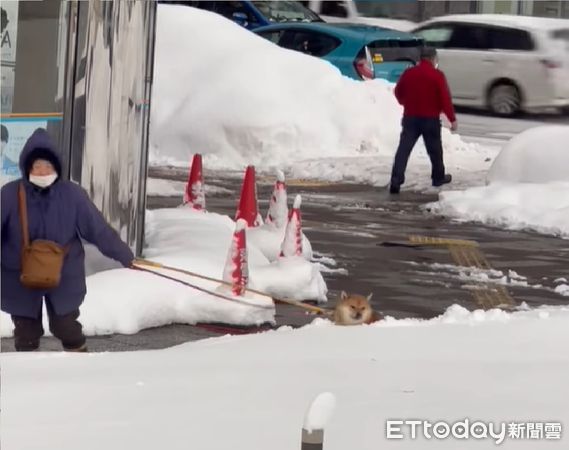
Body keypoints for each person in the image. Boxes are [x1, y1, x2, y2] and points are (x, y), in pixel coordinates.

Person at [1, 128, 134, 352]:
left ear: (57, 167)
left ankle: (78, 369)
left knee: (66, 327)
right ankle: (29, 378)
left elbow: (98, 230)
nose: (43, 171)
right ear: (27, 167)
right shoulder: (9, 194)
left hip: (64, 273)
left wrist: (126, 256)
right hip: (19, 274)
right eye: (37, 166)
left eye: (48, 166)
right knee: (26, 333)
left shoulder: (73, 195)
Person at [389, 46, 457, 194]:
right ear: (433, 59)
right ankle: (438, 177)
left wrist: (404, 102)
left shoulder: (409, 73)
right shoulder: (437, 75)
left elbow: (398, 91)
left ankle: (396, 181)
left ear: (420, 59)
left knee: (404, 150)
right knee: (435, 151)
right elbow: (445, 99)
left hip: (410, 118)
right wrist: (452, 119)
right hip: (430, 120)